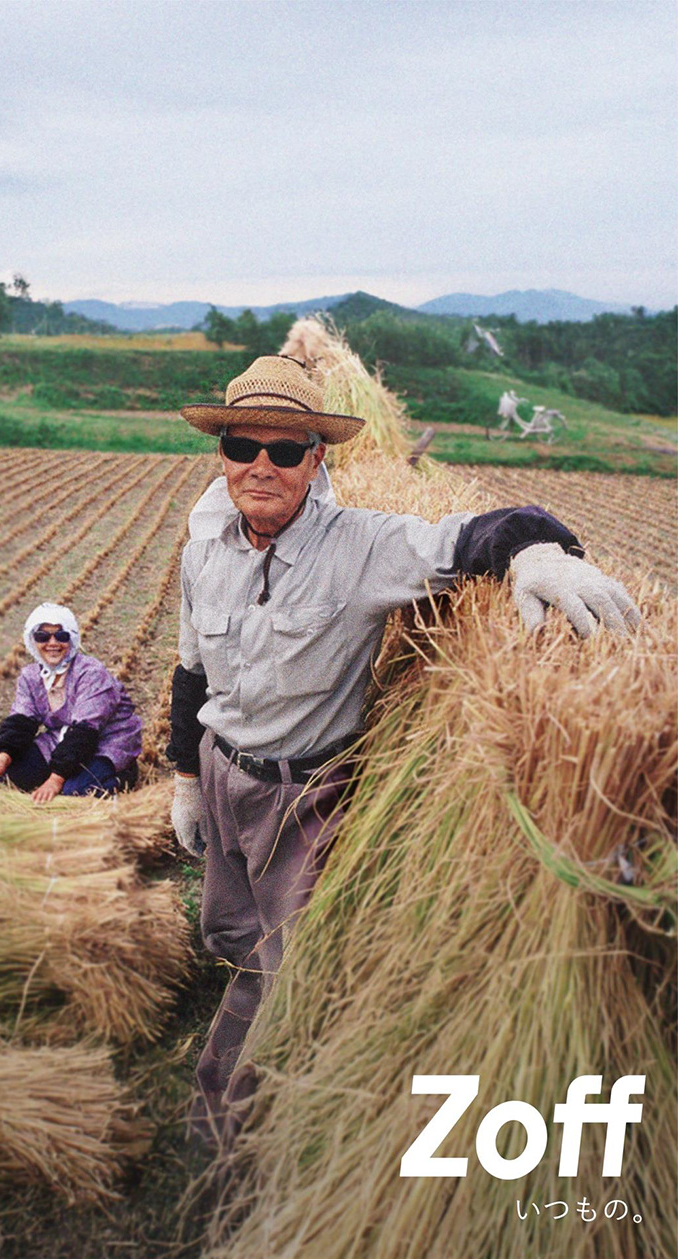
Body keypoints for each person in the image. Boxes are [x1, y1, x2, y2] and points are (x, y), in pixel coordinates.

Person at [166, 354, 640, 1147]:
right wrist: (186, 776)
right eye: (244, 445)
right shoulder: (204, 545)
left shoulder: (361, 546)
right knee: (228, 929)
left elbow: (484, 531)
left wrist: (538, 554)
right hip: (222, 771)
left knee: (285, 973)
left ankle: (229, 1125)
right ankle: (245, 1015)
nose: (261, 466)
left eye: (285, 451)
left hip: (299, 799)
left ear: (318, 457)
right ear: (221, 451)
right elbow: (188, 671)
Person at [0, 602, 142, 802]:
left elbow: (85, 731)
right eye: (42, 636)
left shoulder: (91, 673)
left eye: (61, 636)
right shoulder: (30, 677)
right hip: (62, 739)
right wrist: (2, 760)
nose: (52, 643)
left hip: (106, 740)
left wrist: (55, 779)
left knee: (73, 792)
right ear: (32, 640)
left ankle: (123, 774)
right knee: (11, 776)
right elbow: (20, 721)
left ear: (72, 638)